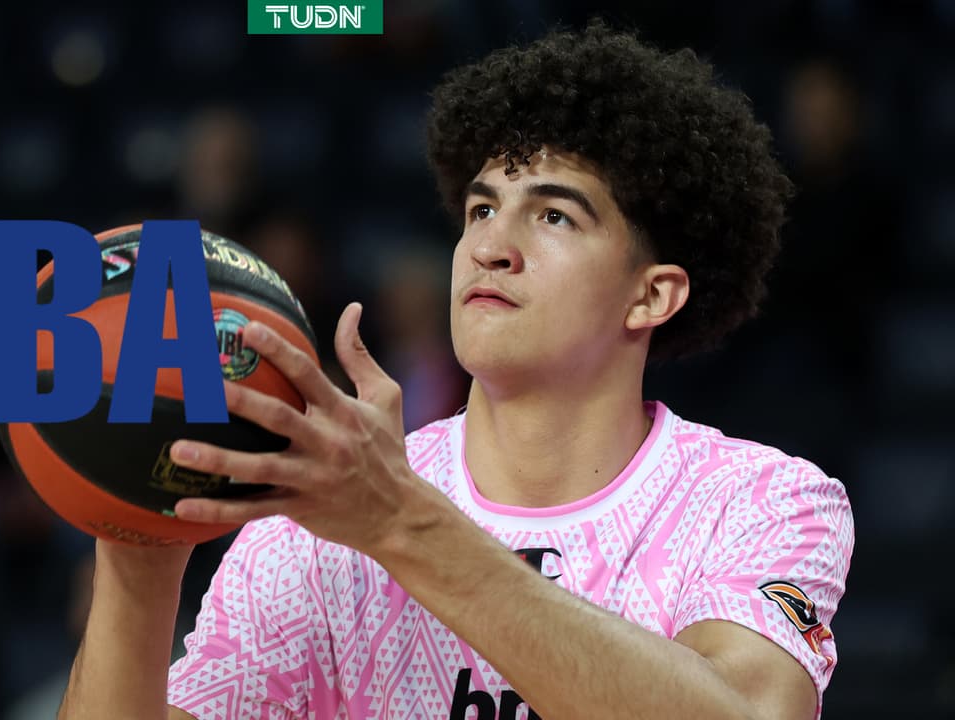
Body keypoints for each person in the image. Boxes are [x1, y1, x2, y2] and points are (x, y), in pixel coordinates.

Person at [58, 22, 854, 720]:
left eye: (553, 216)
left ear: (651, 295)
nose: (490, 247)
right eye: (480, 210)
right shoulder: (310, 529)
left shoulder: (759, 501)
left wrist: (400, 523)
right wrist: (136, 554)